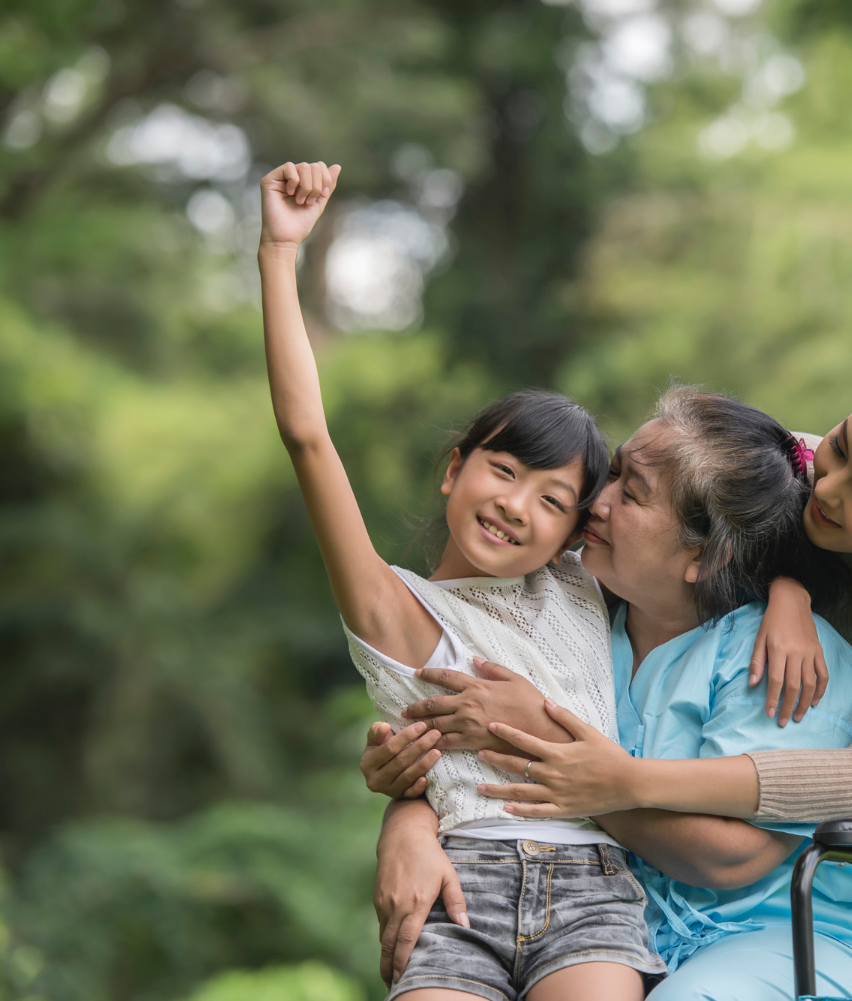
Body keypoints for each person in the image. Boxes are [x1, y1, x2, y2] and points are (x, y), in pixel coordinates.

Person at [374, 389, 852, 1001]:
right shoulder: (576, 623)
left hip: (798, 943)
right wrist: (408, 820)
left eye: (631, 492)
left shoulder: (786, 659)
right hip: (620, 935)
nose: (597, 500)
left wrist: (546, 749)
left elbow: (733, 858)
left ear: (707, 554)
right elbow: (463, 757)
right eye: (612, 472)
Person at [257, 160, 664, 1001]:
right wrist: (278, 250)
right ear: (455, 468)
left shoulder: (585, 586)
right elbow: (306, 436)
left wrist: (789, 595)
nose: (515, 504)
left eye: (551, 499)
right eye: (504, 470)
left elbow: (762, 477)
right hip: (456, 886)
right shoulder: (397, 609)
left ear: (575, 530)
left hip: (591, 886)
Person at [375, 356, 852, 839]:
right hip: (666, 744)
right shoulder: (794, 472)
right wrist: (410, 813)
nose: (824, 489)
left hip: (809, 784)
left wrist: (627, 780)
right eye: (837, 446)